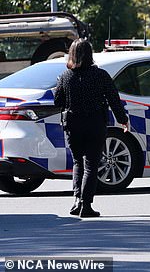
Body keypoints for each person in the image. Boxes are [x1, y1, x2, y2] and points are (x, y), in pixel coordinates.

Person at [54, 39, 129, 217]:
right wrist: (122, 119)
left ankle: (76, 201)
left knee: (78, 162)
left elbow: (58, 101)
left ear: (72, 54)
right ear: (90, 54)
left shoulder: (65, 76)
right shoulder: (101, 75)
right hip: (95, 123)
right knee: (91, 165)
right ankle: (85, 205)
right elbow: (113, 99)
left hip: (73, 124)